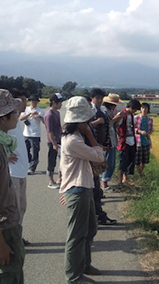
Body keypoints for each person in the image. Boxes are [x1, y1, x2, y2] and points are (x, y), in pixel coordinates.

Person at [59, 96, 105, 284]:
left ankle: (84, 265)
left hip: (83, 186)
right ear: (79, 122)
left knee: (90, 229)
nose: (88, 123)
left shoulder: (77, 137)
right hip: (77, 190)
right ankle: (73, 276)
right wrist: (92, 136)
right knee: (76, 235)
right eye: (85, 121)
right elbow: (99, 156)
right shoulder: (73, 141)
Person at [0, 89, 24, 284]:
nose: (17, 115)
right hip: (4, 231)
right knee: (9, 275)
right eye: (14, 112)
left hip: (8, 226)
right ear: (2, 118)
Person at [89, 88, 117, 226]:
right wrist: (97, 122)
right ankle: (97, 216)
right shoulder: (90, 111)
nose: (99, 100)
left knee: (96, 186)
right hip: (91, 151)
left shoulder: (102, 112)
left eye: (101, 98)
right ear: (92, 98)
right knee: (94, 187)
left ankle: (97, 215)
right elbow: (85, 128)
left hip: (98, 149)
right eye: (97, 98)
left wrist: (105, 144)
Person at [8, 89, 30, 246]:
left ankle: (16, 237)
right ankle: (10, 241)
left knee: (21, 208)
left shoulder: (16, 121)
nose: (24, 104)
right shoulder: (6, 121)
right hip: (12, 172)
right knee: (12, 210)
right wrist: (4, 156)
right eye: (21, 100)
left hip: (21, 171)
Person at [112, 99, 141, 187]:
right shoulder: (122, 114)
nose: (135, 111)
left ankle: (125, 179)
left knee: (130, 160)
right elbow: (113, 122)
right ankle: (120, 181)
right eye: (135, 109)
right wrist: (120, 116)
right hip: (124, 141)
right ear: (131, 107)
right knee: (123, 161)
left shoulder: (131, 115)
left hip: (132, 140)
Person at [101, 93, 123, 190]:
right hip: (107, 141)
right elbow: (107, 124)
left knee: (112, 163)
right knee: (108, 162)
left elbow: (114, 126)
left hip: (113, 139)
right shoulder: (104, 112)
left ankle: (106, 182)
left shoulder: (111, 111)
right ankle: (104, 183)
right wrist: (114, 120)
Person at [21, 94, 45, 175]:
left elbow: (45, 122)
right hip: (26, 134)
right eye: (32, 101)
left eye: (35, 101)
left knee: (35, 151)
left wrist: (39, 116)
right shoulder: (26, 109)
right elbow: (20, 118)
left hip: (35, 134)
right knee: (25, 151)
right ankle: (31, 161)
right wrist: (29, 114)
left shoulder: (41, 110)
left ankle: (32, 168)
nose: (34, 102)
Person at [44, 93, 64, 189]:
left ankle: (59, 179)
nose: (61, 104)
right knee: (52, 160)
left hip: (60, 140)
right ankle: (50, 181)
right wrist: (54, 143)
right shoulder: (49, 115)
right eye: (60, 102)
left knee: (62, 160)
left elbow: (59, 127)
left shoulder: (57, 113)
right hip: (53, 141)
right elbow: (49, 131)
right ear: (54, 102)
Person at [134, 102, 154, 178]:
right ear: (140, 109)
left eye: (146, 108)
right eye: (143, 108)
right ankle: (141, 174)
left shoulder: (150, 119)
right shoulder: (136, 118)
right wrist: (140, 131)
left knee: (144, 160)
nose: (144, 110)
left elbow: (151, 129)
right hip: (138, 141)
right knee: (137, 160)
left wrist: (149, 133)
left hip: (146, 141)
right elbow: (133, 128)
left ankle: (141, 173)